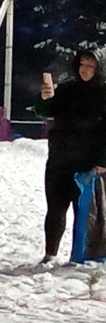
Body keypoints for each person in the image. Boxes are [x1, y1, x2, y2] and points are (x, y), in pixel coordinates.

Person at [35, 48, 106, 263]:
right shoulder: (67, 89)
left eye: (90, 66)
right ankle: (50, 253)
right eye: (82, 64)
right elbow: (45, 110)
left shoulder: (104, 93)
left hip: (88, 164)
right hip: (59, 160)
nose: (85, 70)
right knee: (55, 209)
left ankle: (81, 256)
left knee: (85, 214)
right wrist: (44, 97)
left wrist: (103, 161)